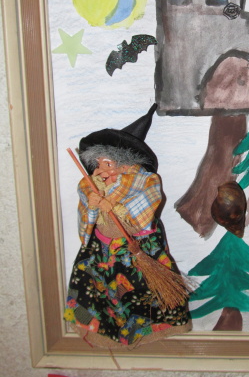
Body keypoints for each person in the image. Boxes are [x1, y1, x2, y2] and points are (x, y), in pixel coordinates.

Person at [64, 104, 192, 349]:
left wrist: (114, 205)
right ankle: (97, 329)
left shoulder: (144, 181)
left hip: (136, 251)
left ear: (124, 164)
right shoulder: (91, 184)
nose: (101, 170)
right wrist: (94, 204)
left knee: (139, 294)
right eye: (98, 164)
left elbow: (144, 212)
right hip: (101, 252)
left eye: (107, 164)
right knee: (96, 291)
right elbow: (86, 212)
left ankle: (151, 329)